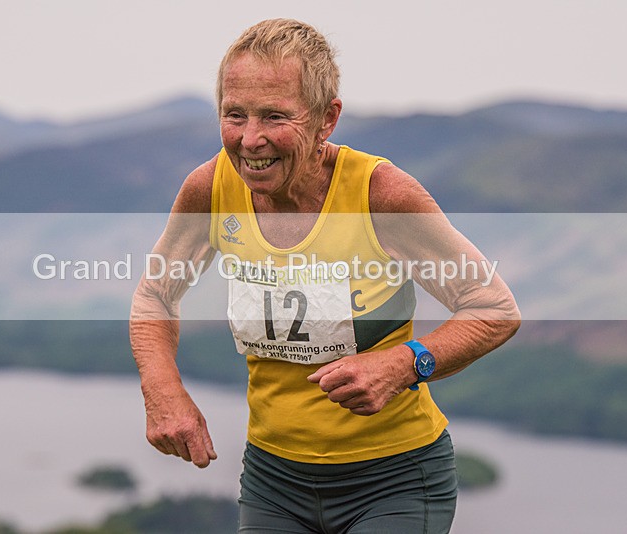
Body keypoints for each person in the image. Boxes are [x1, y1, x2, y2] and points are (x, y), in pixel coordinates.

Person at [130, 18, 520, 533]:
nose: (250, 140)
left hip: (396, 479)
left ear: (326, 119)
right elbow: (156, 294)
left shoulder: (382, 196)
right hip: (273, 479)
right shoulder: (210, 189)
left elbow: (494, 308)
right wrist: (163, 391)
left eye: (274, 116)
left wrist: (405, 363)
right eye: (234, 115)